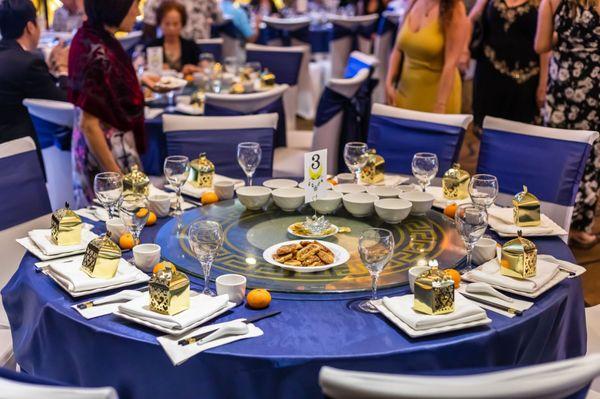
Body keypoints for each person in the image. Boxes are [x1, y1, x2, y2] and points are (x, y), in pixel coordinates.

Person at [535, 0, 600, 248]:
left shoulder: (551, 3)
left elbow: (540, 45)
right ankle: (581, 229)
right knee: (592, 157)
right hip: (594, 89)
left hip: (562, 88)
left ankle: (550, 221)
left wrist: (565, 36)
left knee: (558, 153)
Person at [69, 0, 146, 206]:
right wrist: (116, 177)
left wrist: (141, 83)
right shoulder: (96, 51)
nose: (137, 13)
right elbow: (89, 123)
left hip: (101, 148)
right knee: (114, 225)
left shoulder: (92, 38)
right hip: (104, 154)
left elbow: (107, 87)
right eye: (134, 6)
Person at [465, 0, 548, 133]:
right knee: (487, 134)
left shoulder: (542, 3)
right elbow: (471, 19)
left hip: (524, 80)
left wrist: (543, 84)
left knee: (520, 136)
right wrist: (464, 50)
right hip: (489, 76)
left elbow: (545, 47)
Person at [0, 0, 69, 157]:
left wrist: (51, 69)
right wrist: (64, 69)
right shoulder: (28, 63)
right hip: (17, 155)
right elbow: (64, 101)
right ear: (30, 27)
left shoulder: (14, 59)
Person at [385, 0, 468, 113]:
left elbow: (451, 63)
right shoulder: (413, 3)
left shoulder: (454, 8)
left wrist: (440, 105)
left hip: (437, 97)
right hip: (405, 94)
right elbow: (397, 48)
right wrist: (389, 82)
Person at [145, 1, 199, 73]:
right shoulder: (152, 46)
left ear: (182, 24)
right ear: (160, 24)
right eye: (167, 24)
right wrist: (154, 69)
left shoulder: (191, 46)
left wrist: (194, 69)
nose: (171, 28)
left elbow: (205, 69)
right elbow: (142, 68)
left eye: (175, 24)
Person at [143, 0, 222, 42]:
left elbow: (218, 17)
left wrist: (209, 20)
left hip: (201, 44)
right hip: (169, 46)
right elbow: (149, 24)